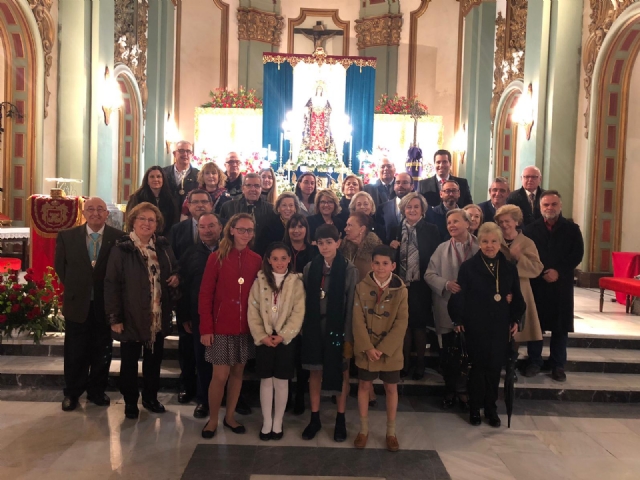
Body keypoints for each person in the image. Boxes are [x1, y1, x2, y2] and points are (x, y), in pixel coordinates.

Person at [105, 202, 180, 419]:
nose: (147, 223)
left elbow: (175, 269)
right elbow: (112, 284)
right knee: (129, 362)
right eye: (142, 219)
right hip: (131, 315)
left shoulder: (163, 247)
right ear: (133, 221)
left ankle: (150, 397)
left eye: (151, 220)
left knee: (153, 361)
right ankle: (130, 401)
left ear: (157, 224)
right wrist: (115, 317)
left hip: (157, 315)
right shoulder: (122, 248)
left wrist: (176, 278)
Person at [448, 222, 525, 427]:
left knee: (494, 370)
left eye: (493, 241)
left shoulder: (508, 268)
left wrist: (516, 319)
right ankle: (474, 409)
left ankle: (491, 409)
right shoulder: (469, 267)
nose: (489, 245)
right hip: (476, 325)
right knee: (478, 369)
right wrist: (458, 319)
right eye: (485, 241)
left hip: (500, 326)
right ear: (478, 243)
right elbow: (460, 296)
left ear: (500, 243)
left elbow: (517, 296)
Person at [54, 197, 124, 412]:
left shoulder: (118, 237)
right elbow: (61, 268)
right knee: (74, 351)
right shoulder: (68, 236)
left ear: (106, 214)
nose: (95, 213)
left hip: (105, 304)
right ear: (83, 213)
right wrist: (80, 287)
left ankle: (96, 391)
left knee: (102, 350)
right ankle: (72, 393)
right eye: (91, 209)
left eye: (100, 209)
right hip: (78, 304)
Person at [199, 213, 262, 438]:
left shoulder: (256, 259)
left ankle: (230, 416)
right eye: (242, 229)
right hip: (221, 327)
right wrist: (206, 327)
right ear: (232, 230)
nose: (246, 234)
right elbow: (205, 294)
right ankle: (213, 419)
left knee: (238, 374)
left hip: (245, 327)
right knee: (220, 376)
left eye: (250, 230)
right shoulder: (216, 257)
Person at [301, 224, 358, 442]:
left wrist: (348, 338)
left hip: (338, 330)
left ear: (338, 243)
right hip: (315, 328)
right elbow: (305, 301)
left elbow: (351, 303)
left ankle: (340, 419)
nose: (325, 247)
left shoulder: (349, 269)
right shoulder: (310, 268)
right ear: (315, 244)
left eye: (329, 242)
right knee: (315, 372)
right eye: (321, 243)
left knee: (341, 372)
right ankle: (314, 418)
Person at [522, 190, 584, 382]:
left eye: (553, 204)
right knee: (536, 325)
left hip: (561, 284)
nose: (549, 208)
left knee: (560, 327)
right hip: (538, 283)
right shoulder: (530, 230)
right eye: (545, 205)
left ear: (560, 206)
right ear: (540, 207)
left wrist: (558, 270)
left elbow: (577, 255)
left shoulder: (572, 229)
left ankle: (558, 365)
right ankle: (534, 361)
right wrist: (541, 272)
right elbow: (527, 255)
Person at [352, 245, 408, 452]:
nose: (380, 267)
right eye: (376, 263)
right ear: (371, 264)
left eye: (385, 263)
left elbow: (402, 322)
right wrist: (367, 347)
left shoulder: (401, 290)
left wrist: (383, 349)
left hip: (390, 351)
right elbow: (357, 320)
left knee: (391, 388)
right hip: (367, 349)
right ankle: (364, 430)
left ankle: (391, 432)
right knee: (364, 386)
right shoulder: (361, 287)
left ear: (393, 265)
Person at [248, 242, 305, 441]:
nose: (279, 262)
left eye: (283, 258)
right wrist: (261, 335)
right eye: (275, 258)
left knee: (281, 381)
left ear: (289, 259)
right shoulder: (260, 281)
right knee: (266, 380)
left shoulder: (296, 282)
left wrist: (284, 334)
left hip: (285, 339)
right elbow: (253, 310)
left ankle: (278, 421)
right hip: (264, 337)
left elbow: (298, 312)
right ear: (268, 261)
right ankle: (266, 421)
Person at [425, 209, 479, 410]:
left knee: (470, 353)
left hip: (473, 309)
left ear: (468, 223)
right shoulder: (441, 249)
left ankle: (464, 390)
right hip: (447, 306)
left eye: (456, 221)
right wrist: (446, 283)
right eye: (449, 222)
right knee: (448, 353)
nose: (452, 225)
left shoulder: (481, 246)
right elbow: (429, 275)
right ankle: (450, 389)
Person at [169, 189, 214, 405]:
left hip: (215, 305)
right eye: (195, 202)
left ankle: (212, 393)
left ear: (211, 205)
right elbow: (176, 265)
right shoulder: (178, 230)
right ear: (188, 205)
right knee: (187, 348)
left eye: (204, 201)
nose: (200, 205)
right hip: (188, 299)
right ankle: (188, 386)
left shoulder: (220, 232)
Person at [389, 192, 440, 380]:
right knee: (403, 325)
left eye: (416, 207)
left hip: (421, 284)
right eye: (408, 207)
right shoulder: (395, 229)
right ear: (403, 209)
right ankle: (404, 363)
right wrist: (392, 247)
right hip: (400, 285)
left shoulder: (431, 229)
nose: (412, 210)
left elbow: (435, 257)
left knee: (419, 325)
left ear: (422, 210)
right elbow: (388, 257)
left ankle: (420, 363)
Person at [179, 212, 223, 418]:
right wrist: (184, 316)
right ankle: (203, 400)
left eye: (212, 226)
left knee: (228, 359)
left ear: (221, 228)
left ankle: (232, 398)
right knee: (203, 359)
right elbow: (184, 287)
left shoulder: (229, 251)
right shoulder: (190, 253)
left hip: (225, 314)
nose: (207, 230)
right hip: (198, 315)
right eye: (203, 227)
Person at [495, 205, 544, 352]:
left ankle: (511, 364)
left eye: (507, 221)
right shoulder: (494, 240)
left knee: (516, 330)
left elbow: (537, 268)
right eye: (501, 222)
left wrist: (519, 257)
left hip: (520, 290)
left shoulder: (527, 243)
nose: (504, 225)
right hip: (497, 290)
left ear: (516, 222)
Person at [283, 213, 318, 415]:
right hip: (284, 309)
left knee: (303, 354)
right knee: (288, 353)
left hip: (307, 307)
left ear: (306, 229)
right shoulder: (281, 249)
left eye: (301, 226)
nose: (296, 230)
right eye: (293, 226)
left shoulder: (314, 251)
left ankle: (300, 395)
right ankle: (286, 393)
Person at [220, 173, 275, 240]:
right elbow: (224, 234)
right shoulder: (228, 207)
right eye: (249, 185)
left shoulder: (270, 209)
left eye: (257, 186)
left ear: (261, 189)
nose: (253, 189)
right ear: (243, 188)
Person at [126, 166, 179, 236]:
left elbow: (174, 221)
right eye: (152, 177)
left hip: (165, 239)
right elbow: (130, 219)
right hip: (141, 237)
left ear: (163, 180)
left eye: (159, 176)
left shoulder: (171, 199)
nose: (155, 179)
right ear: (147, 181)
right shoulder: (136, 197)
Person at [254, 192, 300, 257]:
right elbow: (261, 249)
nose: (288, 208)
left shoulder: (301, 224)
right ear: (278, 208)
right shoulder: (269, 227)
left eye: (291, 205)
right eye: (284, 205)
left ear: (295, 208)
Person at [340, 211, 382, 281]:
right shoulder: (344, 247)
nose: (345, 229)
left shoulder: (376, 249)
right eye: (346, 225)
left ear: (362, 229)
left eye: (349, 225)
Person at [376, 172, 414, 244]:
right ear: (394, 186)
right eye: (397, 182)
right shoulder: (383, 208)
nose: (400, 185)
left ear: (412, 186)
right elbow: (379, 233)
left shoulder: (418, 208)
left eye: (405, 182)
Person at [162, 140, 200, 207]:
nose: (185, 154)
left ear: (192, 155)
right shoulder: (163, 173)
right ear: (174, 154)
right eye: (181, 151)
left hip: (188, 214)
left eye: (188, 151)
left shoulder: (199, 175)